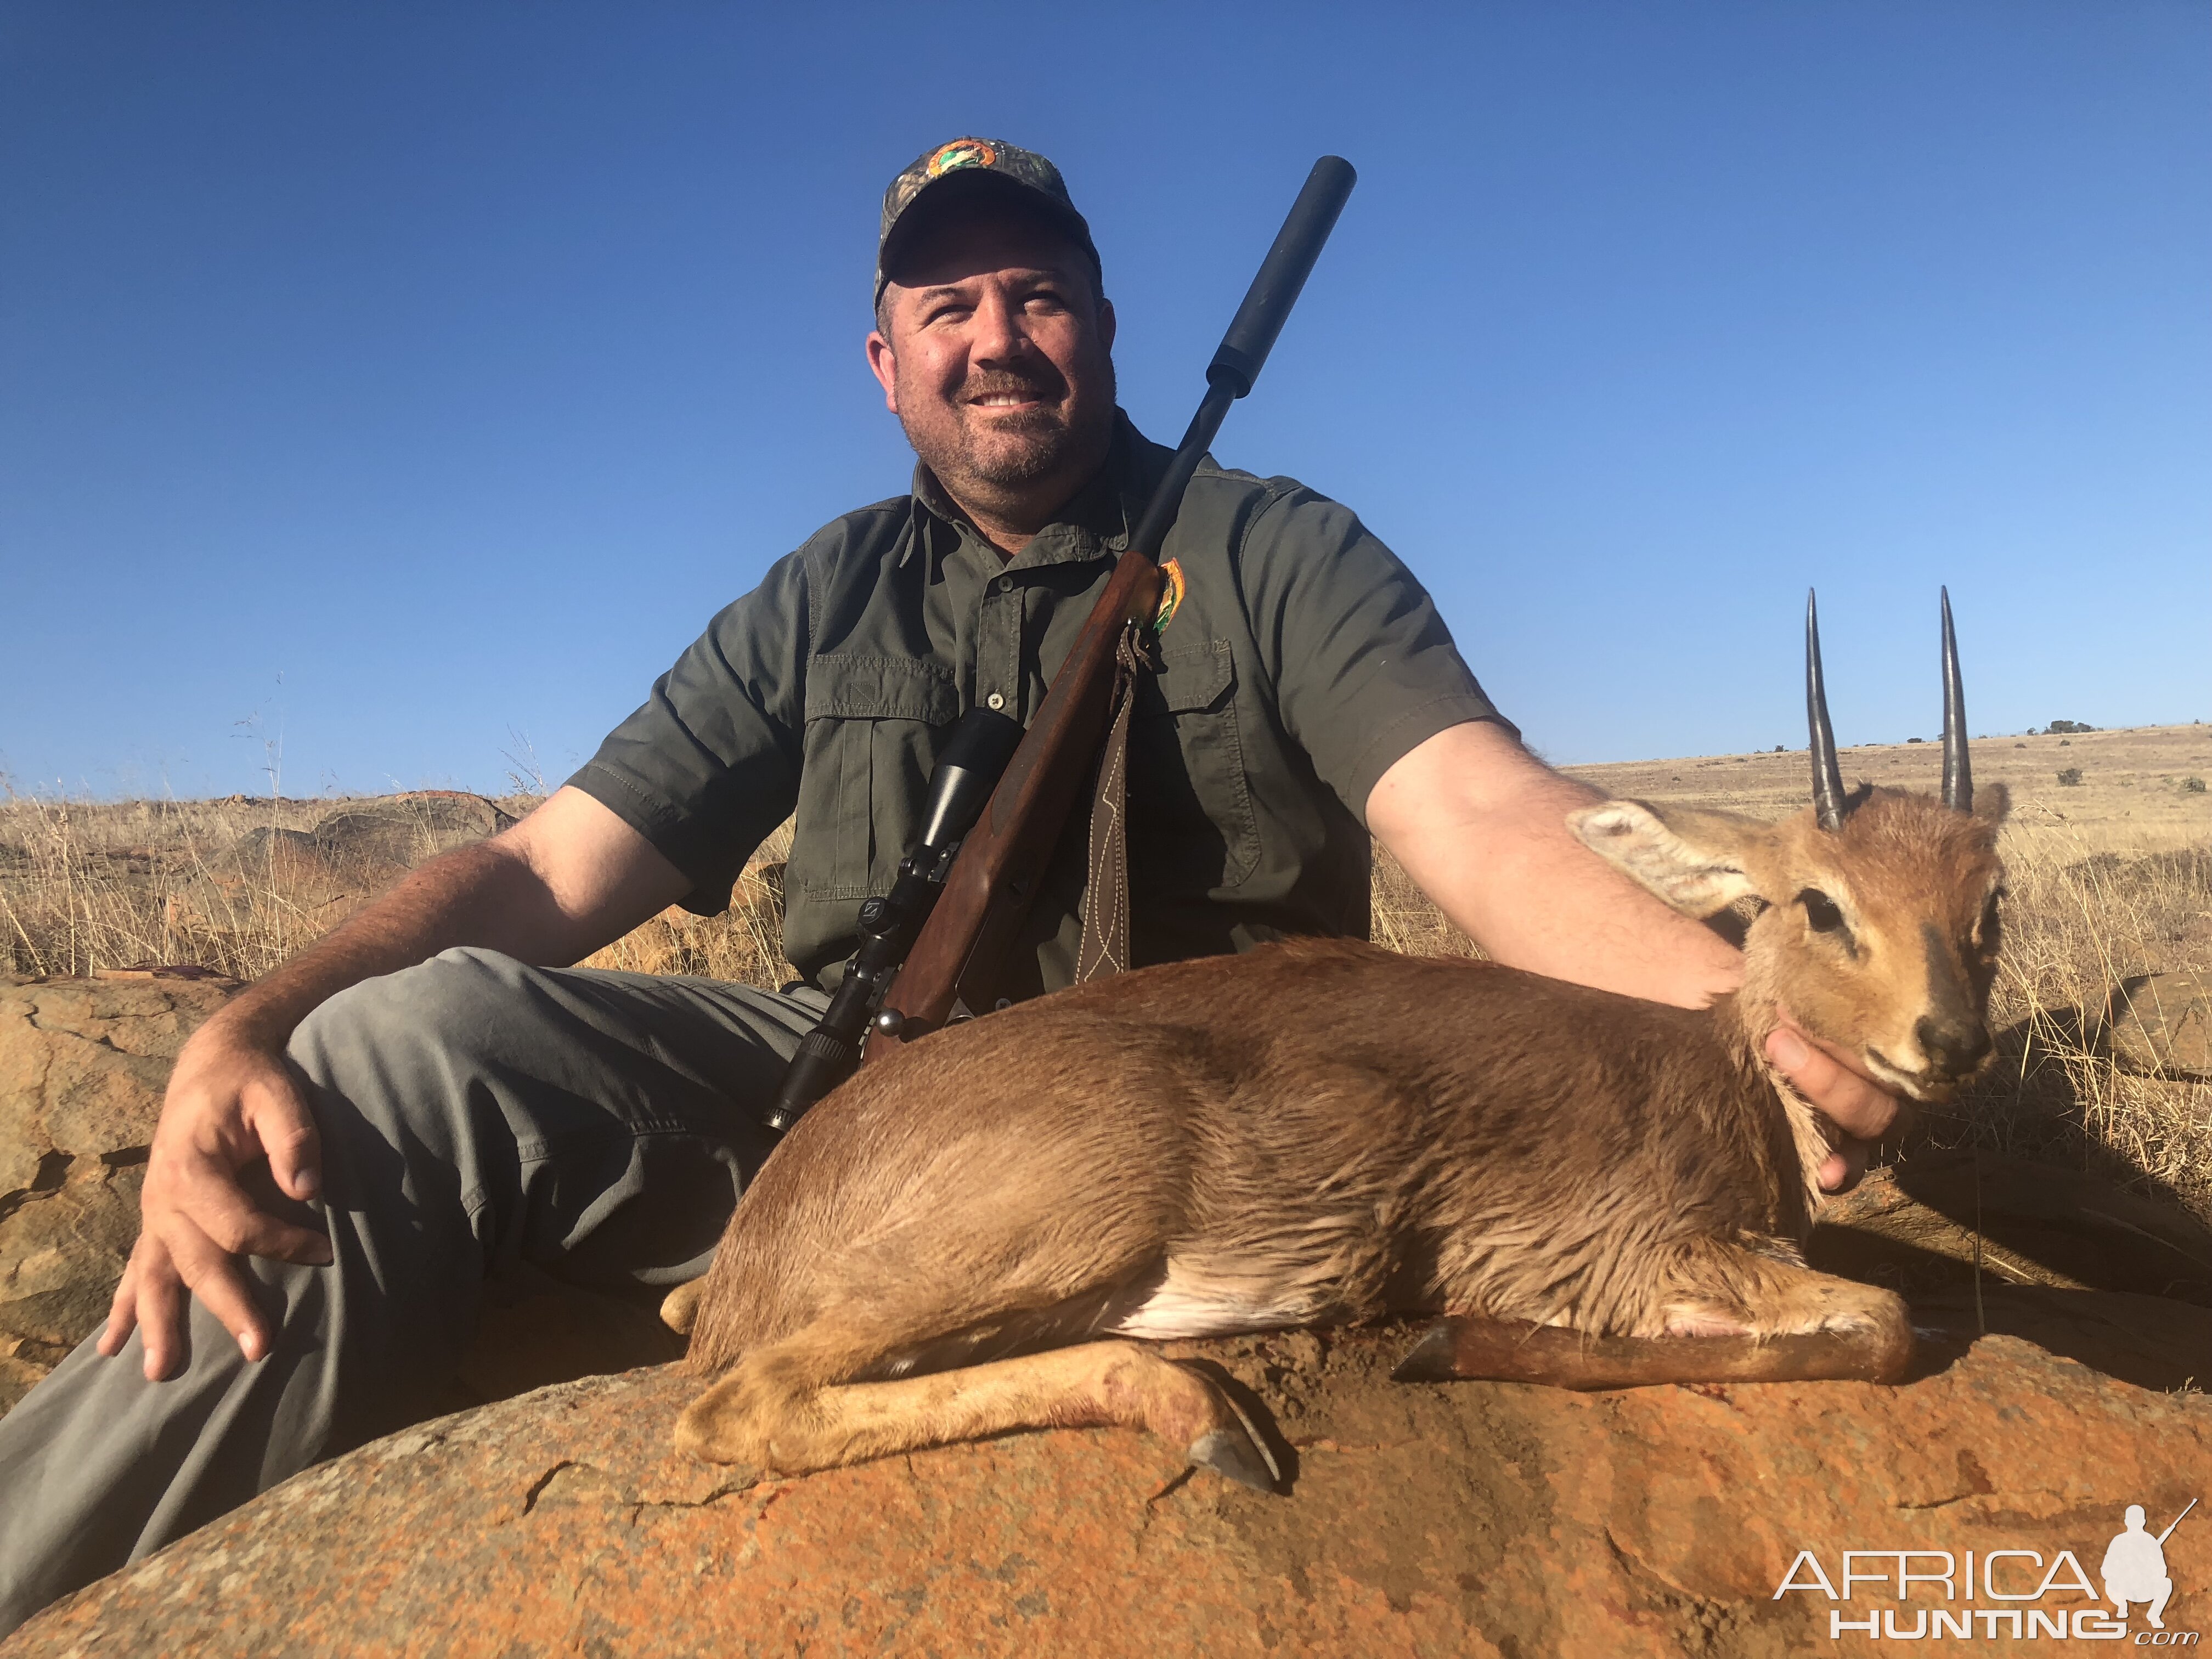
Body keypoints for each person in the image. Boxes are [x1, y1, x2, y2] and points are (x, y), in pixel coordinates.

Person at [0, 137, 1904, 1636]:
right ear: (886, 359)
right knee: (393, 1062)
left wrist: (1761, 1030)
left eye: (1039, 293)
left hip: (1205, 1119)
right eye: (950, 303)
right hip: (835, 1096)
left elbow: (1482, 816)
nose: (998, 335)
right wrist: (250, 1023)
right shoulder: (825, 591)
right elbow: (542, 865)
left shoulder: (1272, 553)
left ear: (1102, 321)